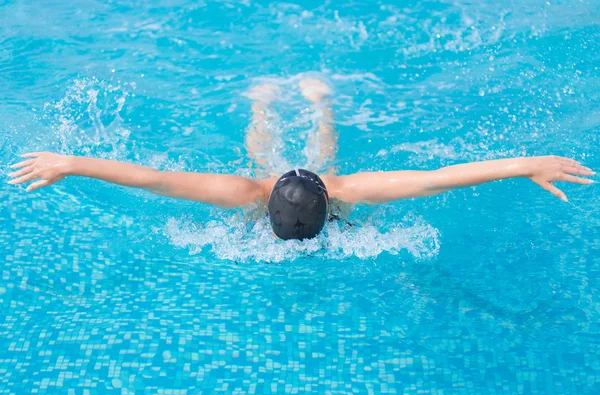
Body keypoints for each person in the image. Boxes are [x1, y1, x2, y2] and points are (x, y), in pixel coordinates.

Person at [8, 78, 595, 241]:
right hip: (315, 212)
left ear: (267, 205)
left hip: (267, 210)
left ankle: (263, 101)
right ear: (327, 203)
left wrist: (71, 161)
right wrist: (526, 163)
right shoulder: (347, 194)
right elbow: (437, 180)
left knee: (259, 156)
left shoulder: (244, 196)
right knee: (319, 156)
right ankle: (322, 102)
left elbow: (154, 179)